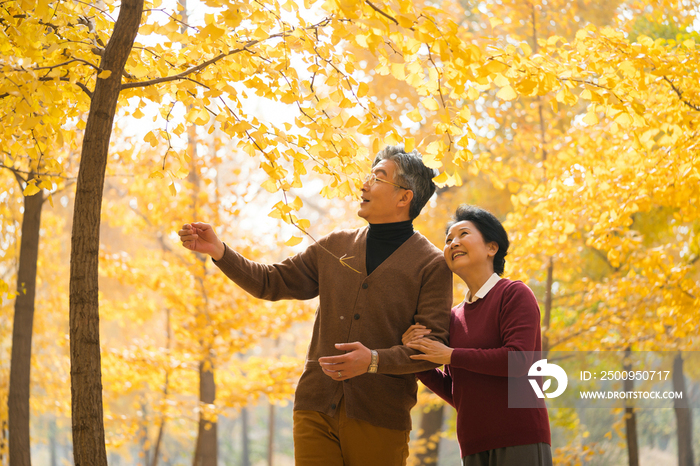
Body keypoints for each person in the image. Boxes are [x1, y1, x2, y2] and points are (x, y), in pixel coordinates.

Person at [178, 145, 453, 466]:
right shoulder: (335, 246)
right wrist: (221, 251)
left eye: (378, 178)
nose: (364, 184)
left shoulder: (432, 264)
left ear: (404, 198)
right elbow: (271, 282)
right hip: (315, 405)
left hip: (380, 414)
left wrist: (374, 360)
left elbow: (430, 349)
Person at [402, 205, 552, 466]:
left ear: (491, 248)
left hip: (520, 438)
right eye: (448, 240)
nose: (453, 243)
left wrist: (450, 355)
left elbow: (518, 361)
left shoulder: (514, 294)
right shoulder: (452, 317)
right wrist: (416, 355)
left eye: (463, 234)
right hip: (472, 445)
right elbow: (458, 391)